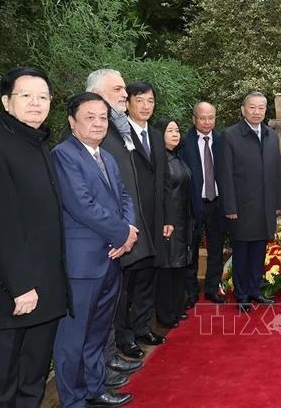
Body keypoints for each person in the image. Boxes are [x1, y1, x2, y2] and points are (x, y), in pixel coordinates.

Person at [0, 67, 70, 407]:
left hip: (46, 291)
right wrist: (19, 285)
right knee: (1, 385)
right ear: (7, 102)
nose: (36, 103)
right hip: (12, 295)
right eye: (26, 96)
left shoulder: (39, 144)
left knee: (32, 380)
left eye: (43, 97)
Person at [52, 92, 137, 408]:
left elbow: (125, 199)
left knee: (97, 334)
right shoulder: (63, 156)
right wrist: (122, 234)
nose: (99, 123)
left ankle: (95, 388)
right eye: (90, 117)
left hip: (111, 259)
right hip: (82, 266)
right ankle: (73, 400)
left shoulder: (107, 157)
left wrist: (128, 232)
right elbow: (81, 206)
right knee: (73, 339)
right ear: (72, 122)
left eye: (103, 117)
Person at [85, 70, 146, 375]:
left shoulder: (117, 130)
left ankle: (108, 358)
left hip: (119, 236)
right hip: (99, 243)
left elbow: (123, 189)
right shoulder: (90, 137)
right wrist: (120, 231)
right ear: (96, 93)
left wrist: (129, 228)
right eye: (118, 89)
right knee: (96, 314)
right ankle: (100, 368)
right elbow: (89, 199)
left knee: (109, 307)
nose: (125, 94)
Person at [111, 81, 172, 357]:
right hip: (132, 220)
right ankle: (124, 337)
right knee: (128, 282)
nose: (146, 106)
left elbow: (165, 180)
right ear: (128, 104)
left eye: (150, 101)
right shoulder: (118, 137)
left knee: (148, 276)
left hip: (155, 218)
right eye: (139, 101)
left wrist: (167, 217)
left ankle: (142, 327)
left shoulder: (157, 135)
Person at [218, 92, 281, 312]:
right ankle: (241, 295)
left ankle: (255, 290)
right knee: (242, 253)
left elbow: (277, 172)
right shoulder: (230, 135)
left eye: (261, 108)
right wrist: (230, 206)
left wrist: (279, 202)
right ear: (243, 110)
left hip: (265, 206)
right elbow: (225, 174)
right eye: (252, 108)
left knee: (259, 251)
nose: (257, 112)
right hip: (241, 207)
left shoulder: (271, 136)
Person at [178, 102, 227, 307]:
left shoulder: (222, 140)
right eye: (202, 117)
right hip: (192, 203)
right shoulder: (183, 142)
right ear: (194, 119)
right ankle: (190, 292)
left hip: (217, 202)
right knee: (192, 248)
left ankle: (212, 288)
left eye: (211, 117)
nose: (207, 122)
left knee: (216, 248)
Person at [154, 118, 192, 327]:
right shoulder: (159, 161)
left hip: (183, 220)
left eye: (177, 130)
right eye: (170, 131)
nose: (175, 134)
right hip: (168, 221)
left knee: (179, 265)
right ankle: (165, 314)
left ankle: (177, 308)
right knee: (167, 268)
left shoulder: (177, 158)